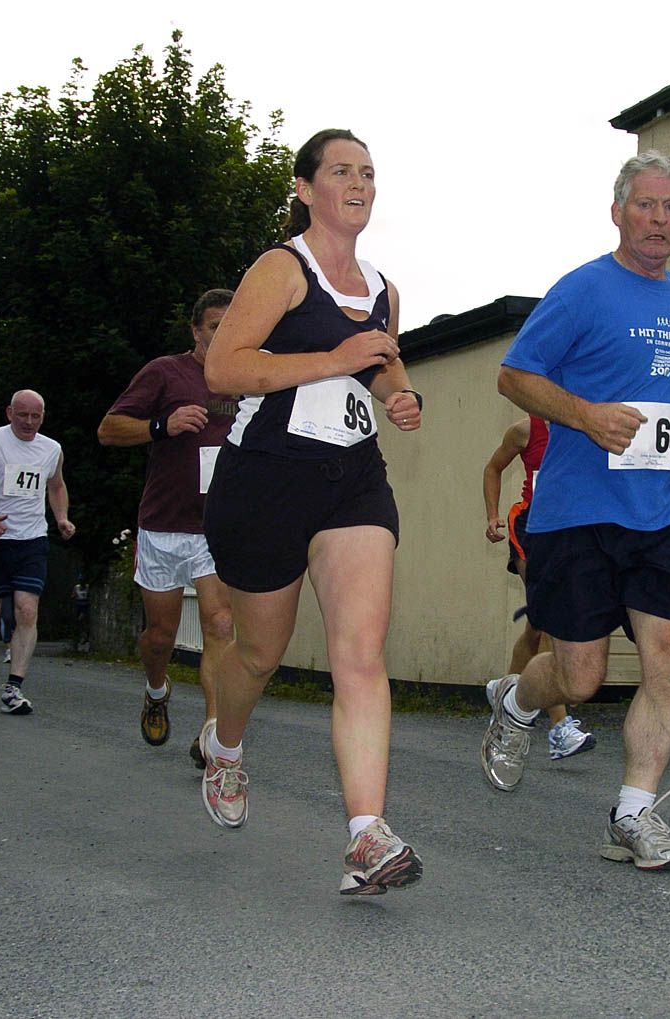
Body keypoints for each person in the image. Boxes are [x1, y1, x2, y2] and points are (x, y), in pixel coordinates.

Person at [483, 150, 670, 871]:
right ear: (618, 211)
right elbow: (513, 374)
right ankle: (514, 703)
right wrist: (585, 415)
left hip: (663, 510)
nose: (661, 220)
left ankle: (633, 813)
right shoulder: (581, 291)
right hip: (577, 512)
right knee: (580, 677)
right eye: (647, 206)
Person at [199, 129, 424, 896]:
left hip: (351, 481)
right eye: (340, 171)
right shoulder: (280, 268)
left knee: (360, 653)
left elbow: (385, 362)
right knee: (258, 654)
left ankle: (367, 835)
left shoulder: (385, 287)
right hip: (265, 480)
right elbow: (224, 367)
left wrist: (398, 395)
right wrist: (333, 360)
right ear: (304, 188)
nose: (358, 183)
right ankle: (226, 745)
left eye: (367, 172)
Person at [97, 289, 237, 764]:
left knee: (221, 623)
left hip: (217, 525)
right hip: (163, 525)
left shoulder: (247, 377)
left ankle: (213, 736)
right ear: (196, 331)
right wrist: (162, 425)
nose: (224, 334)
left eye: (232, 325)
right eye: (216, 326)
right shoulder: (165, 372)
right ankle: (157, 689)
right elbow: (108, 429)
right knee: (161, 636)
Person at [0, 389, 76, 714]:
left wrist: (61, 518)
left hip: (31, 541)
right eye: (23, 415)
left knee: (27, 611)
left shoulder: (51, 449)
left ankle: (13, 688)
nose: (30, 422)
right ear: (10, 413)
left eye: (36, 416)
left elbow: (56, 485)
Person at [482, 415, 595, 764]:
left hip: (571, 529)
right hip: (531, 526)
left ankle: (507, 692)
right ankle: (560, 729)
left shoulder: (586, 423)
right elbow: (493, 467)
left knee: (535, 629)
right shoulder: (524, 430)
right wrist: (491, 515)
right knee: (548, 618)